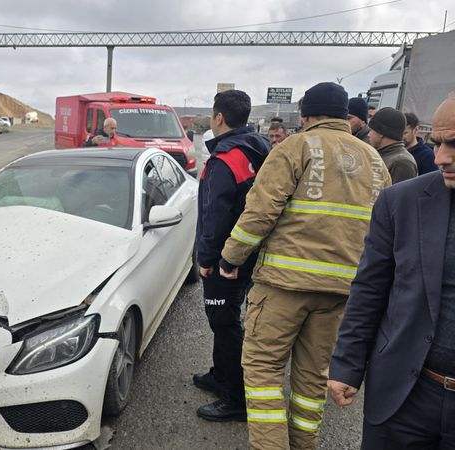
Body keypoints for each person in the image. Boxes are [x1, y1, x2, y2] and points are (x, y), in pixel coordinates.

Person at [218, 82, 391, 449]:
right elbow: (384, 230)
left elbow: (260, 212)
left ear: (306, 115)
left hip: (284, 286)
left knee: (263, 371)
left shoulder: (294, 148)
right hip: (342, 292)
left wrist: (230, 258)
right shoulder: (375, 161)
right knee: (312, 380)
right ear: (346, 117)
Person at [328, 95, 455, 448]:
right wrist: (347, 364)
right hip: (407, 397)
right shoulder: (401, 202)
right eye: (437, 143)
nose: (442, 157)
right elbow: (370, 287)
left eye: (454, 144)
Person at [194, 89, 270, 422]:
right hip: (250, 250)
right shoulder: (259, 148)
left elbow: (215, 215)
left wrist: (207, 259)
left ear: (219, 117)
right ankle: (221, 374)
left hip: (228, 257)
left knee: (224, 322)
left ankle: (236, 398)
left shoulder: (226, 158)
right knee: (224, 320)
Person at [369, 107, 417, 183]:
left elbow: (400, 194)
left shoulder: (402, 163)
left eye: (372, 130)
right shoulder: (381, 154)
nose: (369, 134)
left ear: (381, 132)